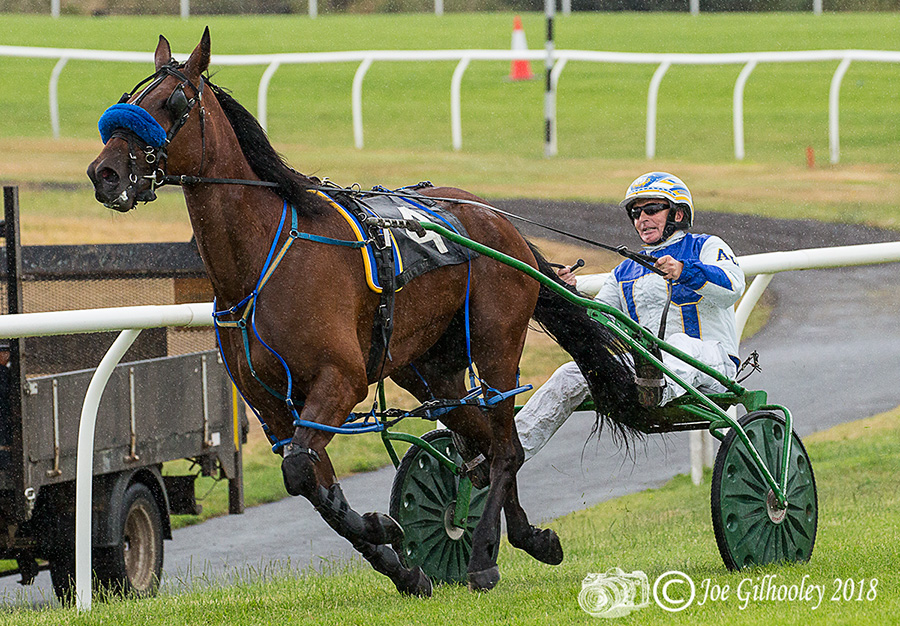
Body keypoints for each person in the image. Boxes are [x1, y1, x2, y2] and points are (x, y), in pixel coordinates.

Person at [516, 172, 745, 462]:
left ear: (677, 213)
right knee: (569, 373)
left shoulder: (707, 246)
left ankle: (655, 387)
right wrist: (566, 291)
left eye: (651, 210)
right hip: (646, 371)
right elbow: (598, 323)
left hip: (713, 366)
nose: (641, 219)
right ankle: (507, 451)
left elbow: (733, 287)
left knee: (677, 343)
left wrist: (684, 271)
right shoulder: (623, 272)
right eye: (636, 213)